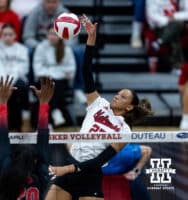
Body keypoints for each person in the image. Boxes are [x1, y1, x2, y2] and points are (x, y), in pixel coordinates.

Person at [44, 15, 153, 200]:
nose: (117, 95)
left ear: (129, 108)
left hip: (89, 174)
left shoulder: (124, 130)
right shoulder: (98, 103)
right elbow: (86, 71)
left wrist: (68, 168)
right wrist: (90, 40)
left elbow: (100, 160)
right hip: (71, 167)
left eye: (123, 96)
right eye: (118, 92)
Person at [0, 76, 53, 200]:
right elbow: (43, 142)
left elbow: (2, 138)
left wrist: (2, 103)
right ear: (34, 161)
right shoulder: (41, 174)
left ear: (13, 158)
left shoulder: (7, 171)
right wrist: (44, 104)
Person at [0, 24, 30, 131]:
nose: (7, 37)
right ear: (1, 36)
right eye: (5, 34)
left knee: (23, 88)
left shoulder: (22, 49)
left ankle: (25, 120)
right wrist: (5, 83)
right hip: (0, 78)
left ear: (15, 35)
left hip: (17, 78)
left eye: (10, 34)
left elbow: (23, 69)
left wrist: (10, 81)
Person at [33, 25, 76, 126]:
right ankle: (55, 111)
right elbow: (37, 68)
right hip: (44, 80)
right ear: (47, 35)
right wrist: (56, 72)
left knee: (56, 85)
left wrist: (52, 72)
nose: (52, 37)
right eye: (50, 34)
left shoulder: (66, 49)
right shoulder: (41, 47)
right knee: (49, 84)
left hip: (60, 82)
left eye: (55, 34)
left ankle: (49, 120)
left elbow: (71, 69)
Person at [146, 0, 188, 69]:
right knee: (174, 34)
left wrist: (174, 16)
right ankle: (178, 66)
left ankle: (160, 42)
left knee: (178, 25)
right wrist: (167, 20)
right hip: (160, 25)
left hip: (178, 22)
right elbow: (151, 16)